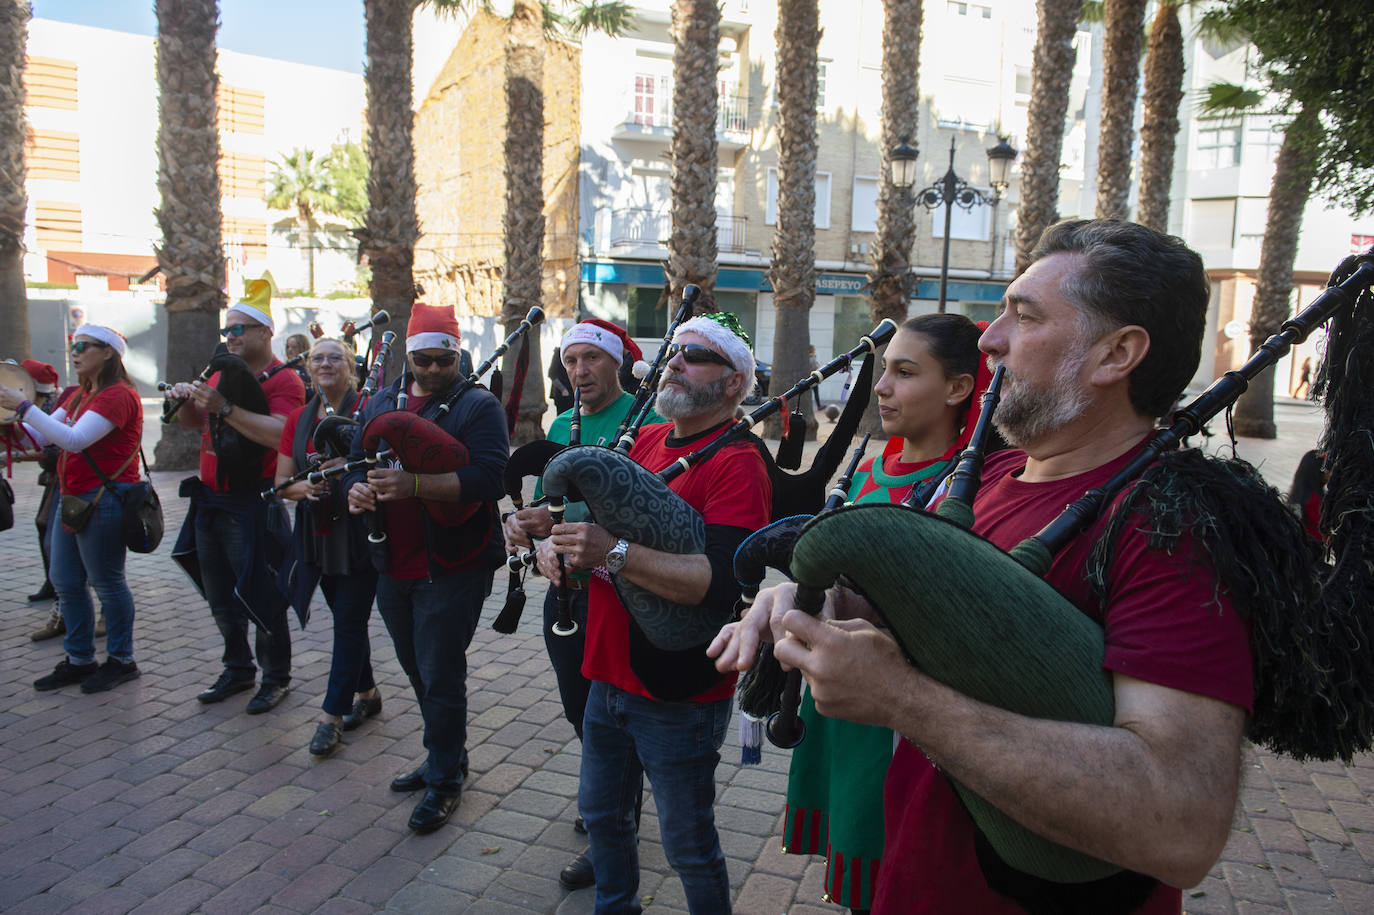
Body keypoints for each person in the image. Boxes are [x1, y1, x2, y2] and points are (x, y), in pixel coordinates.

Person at [712, 219, 1252, 913]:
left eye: (1023, 317)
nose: (990, 338)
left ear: (1117, 353)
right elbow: (916, 618)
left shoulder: (1173, 529)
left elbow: (1181, 824)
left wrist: (903, 699)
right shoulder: (987, 477)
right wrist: (815, 602)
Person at [538, 312, 771, 913]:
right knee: (604, 819)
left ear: (732, 384)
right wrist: (547, 534)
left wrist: (611, 552)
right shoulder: (643, 441)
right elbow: (584, 522)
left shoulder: (739, 462)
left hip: (678, 687)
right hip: (606, 671)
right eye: (674, 351)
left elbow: (717, 586)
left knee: (687, 844)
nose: (673, 361)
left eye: (694, 355)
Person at [777, 314, 986, 914]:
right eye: (884, 370)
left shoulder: (972, 491)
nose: (882, 386)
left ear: (959, 388)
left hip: (901, 714)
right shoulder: (870, 467)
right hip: (841, 698)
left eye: (905, 372)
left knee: (893, 859)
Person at [503, 319, 658, 887]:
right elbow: (553, 504)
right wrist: (532, 528)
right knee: (579, 708)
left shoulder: (648, 423)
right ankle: (609, 795)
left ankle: (611, 823)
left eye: (592, 358)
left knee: (610, 716)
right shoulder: (564, 423)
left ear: (617, 362)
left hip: (623, 593)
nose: (580, 370)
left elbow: (651, 514)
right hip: (567, 593)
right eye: (572, 361)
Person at [345, 302, 509, 834]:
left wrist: (414, 485)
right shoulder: (382, 401)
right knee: (417, 668)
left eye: (445, 360)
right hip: (394, 561)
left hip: (453, 563)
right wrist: (356, 492)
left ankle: (445, 780)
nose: (435, 370)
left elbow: (490, 479)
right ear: (409, 355)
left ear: (457, 354)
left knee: (440, 673)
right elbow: (355, 462)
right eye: (424, 360)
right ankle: (446, 754)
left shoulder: (477, 406)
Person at [169, 279, 305, 714]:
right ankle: (237, 667)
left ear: (266, 332)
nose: (231, 338)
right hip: (211, 500)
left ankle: (276, 677)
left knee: (262, 593)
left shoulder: (285, 380)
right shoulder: (221, 370)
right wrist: (185, 400)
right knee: (220, 594)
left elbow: (284, 434)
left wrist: (224, 407)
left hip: (253, 503)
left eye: (240, 329)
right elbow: (193, 424)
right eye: (227, 331)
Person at [0, 326, 145, 693]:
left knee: (108, 583)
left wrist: (22, 406)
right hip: (75, 498)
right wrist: (12, 423)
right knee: (66, 581)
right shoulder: (82, 393)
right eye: (72, 346)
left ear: (109, 353)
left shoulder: (117, 396)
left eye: (83, 346)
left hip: (104, 498)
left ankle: (122, 660)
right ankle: (80, 659)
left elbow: (74, 441)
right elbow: (44, 436)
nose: (75, 352)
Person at [274, 337, 382, 757]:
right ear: (306, 366)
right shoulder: (299, 419)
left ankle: (331, 716)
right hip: (316, 534)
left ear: (350, 366)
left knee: (348, 623)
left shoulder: (368, 409)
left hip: (360, 532)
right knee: (345, 618)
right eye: (317, 358)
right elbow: (282, 482)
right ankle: (369, 694)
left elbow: (386, 463)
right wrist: (303, 488)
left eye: (334, 357)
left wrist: (349, 469)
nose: (325, 364)